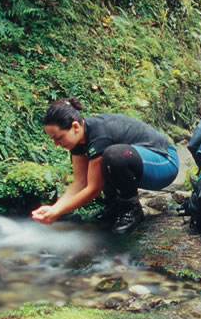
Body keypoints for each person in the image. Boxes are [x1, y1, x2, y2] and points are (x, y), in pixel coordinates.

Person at [31, 98, 179, 234]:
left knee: (114, 155)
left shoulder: (100, 135)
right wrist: (54, 208)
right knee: (104, 162)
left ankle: (131, 210)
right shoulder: (78, 140)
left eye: (59, 138)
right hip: (141, 162)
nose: (57, 144)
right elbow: (80, 182)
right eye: (53, 140)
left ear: (75, 127)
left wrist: (58, 212)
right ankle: (114, 206)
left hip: (165, 161)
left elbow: (93, 189)